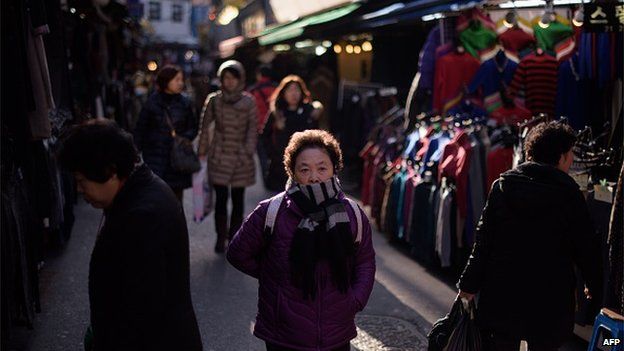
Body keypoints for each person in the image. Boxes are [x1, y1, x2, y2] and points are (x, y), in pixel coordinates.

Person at [57, 119, 202, 351]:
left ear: (110, 171)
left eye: (82, 181)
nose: (79, 190)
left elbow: (140, 311)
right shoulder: (141, 190)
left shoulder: (141, 217)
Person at [457, 121, 603, 351]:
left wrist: (468, 284)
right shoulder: (569, 194)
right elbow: (586, 247)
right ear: (561, 156)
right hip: (550, 299)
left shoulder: (503, 186)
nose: (573, 160)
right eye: (570, 154)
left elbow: (483, 242)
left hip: (502, 295)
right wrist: (595, 286)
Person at [227, 130, 376, 351]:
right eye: (304, 169)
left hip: (336, 332)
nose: (314, 176)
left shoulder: (352, 213)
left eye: (322, 168)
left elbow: (365, 261)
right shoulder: (272, 211)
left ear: (335, 168)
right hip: (283, 334)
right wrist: (276, 278)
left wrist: (355, 301)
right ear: (293, 173)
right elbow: (238, 253)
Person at [197, 60, 257, 253]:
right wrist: (202, 152)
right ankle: (220, 236)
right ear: (221, 79)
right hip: (219, 155)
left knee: (238, 199)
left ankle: (234, 237)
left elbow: (252, 129)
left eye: (233, 78)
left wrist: (247, 150)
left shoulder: (249, 101)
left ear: (240, 79)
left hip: (241, 157)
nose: (230, 82)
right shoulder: (214, 100)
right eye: (226, 78)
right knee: (221, 199)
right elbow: (205, 128)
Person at [133, 65, 198, 202]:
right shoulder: (152, 103)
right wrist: (135, 153)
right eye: (176, 79)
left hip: (177, 160)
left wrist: (183, 139)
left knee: (176, 201)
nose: (180, 83)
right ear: (166, 81)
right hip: (155, 158)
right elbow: (140, 130)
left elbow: (193, 127)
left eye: (181, 80)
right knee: (157, 199)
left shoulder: (185, 103)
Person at [261, 75, 323, 191]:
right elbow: (264, 136)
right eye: (290, 90)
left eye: (296, 90)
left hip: (305, 166)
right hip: (280, 166)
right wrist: (272, 154)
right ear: (283, 93)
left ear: (302, 92)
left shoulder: (309, 111)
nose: (293, 93)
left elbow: (318, 136)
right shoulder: (277, 113)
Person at [249, 64, 277, 184]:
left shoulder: (253, 90)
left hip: (259, 129)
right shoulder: (277, 88)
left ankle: (268, 179)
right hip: (275, 127)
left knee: (262, 156)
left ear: (259, 75)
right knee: (276, 153)